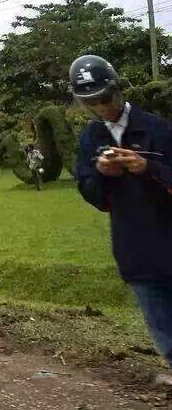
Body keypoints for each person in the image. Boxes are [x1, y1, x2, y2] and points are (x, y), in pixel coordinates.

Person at [72, 54, 172, 386]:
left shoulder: (157, 129)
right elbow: (89, 192)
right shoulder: (91, 138)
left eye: (104, 98)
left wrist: (148, 167)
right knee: (162, 328)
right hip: (134, 248)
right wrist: (102, 174)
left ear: (118, 89)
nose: (101, 108)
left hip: (167, 235)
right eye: (91, 103)